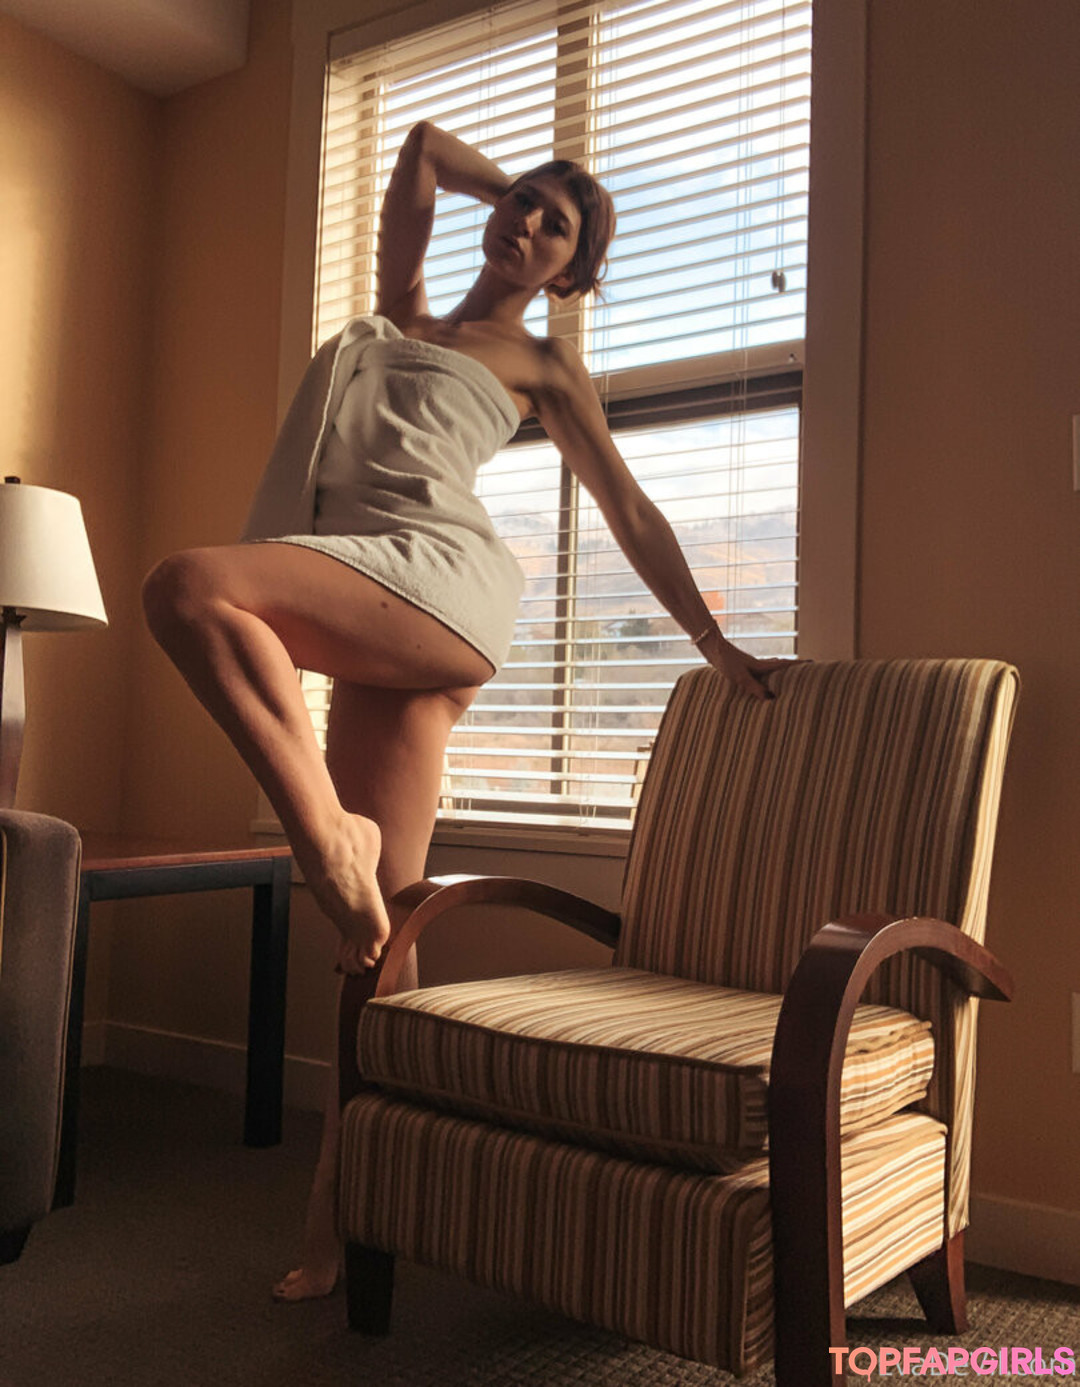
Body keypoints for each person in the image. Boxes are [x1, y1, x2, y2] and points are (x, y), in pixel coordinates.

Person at [141, 121, 789, 1301]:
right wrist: (529, 193)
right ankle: (344, 1220)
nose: (525, 224)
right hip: (371, 598)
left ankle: (326, 837)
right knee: (378, 945)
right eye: (522, 205)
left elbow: (630, 508)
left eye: (555, 228)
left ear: (573, 273)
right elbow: (425, 150)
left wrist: (711, 640)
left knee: (189, 587)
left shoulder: (542, 364)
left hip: (440, 581)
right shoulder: (397, 315)